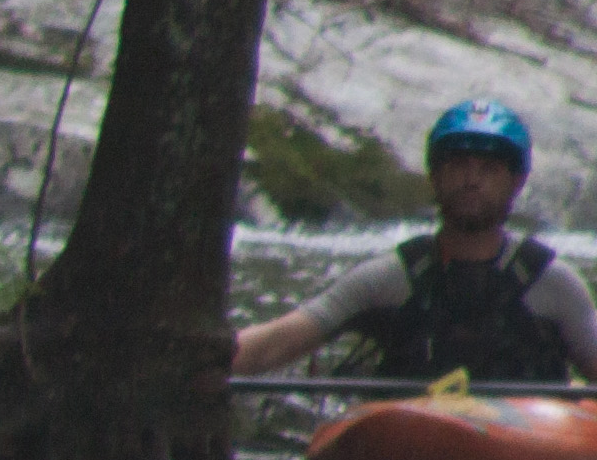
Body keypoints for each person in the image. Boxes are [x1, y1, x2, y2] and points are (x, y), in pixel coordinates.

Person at [233, 99, 597, 387]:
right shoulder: (389, 278)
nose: (472, 180)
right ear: (435, 177)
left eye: (489, 169)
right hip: (413, 444)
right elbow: (273, 345)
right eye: (458, 165)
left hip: (527, 449)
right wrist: (209, 355)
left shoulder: (555, 284)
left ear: (516, 182)